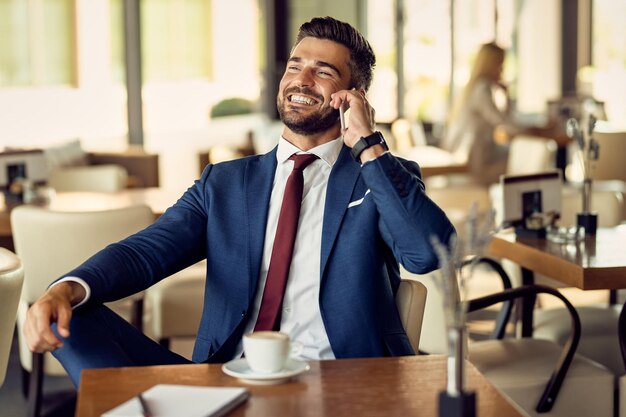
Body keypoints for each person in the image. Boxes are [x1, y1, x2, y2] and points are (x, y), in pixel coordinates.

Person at [24, 16, 455, 386]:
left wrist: (368, 145)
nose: (301, 80)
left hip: (340, 379)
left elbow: (427, 253)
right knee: (69, 314)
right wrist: (63, 289)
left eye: (323, 72)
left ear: (353, 95)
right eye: (294, 66)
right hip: (228, 377)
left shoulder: (378, 174)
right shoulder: (226, 183)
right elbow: (144, 254)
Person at [442, 42, 519, 185]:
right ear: (490, 64)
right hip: (472, 166)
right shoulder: (481, 90)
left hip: (465, 159)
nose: (502, 70)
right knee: (521, 161)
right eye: (500, 64)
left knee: (514, 157)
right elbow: (504, 123)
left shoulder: (473, 88)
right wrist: (534, 130)